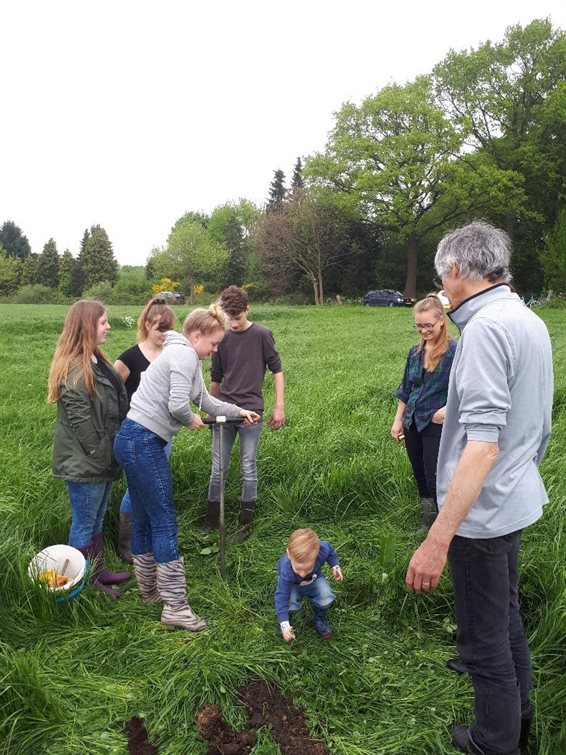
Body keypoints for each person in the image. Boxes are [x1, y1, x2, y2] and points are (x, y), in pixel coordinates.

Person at [405, 222, 553, 755]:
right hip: (512, 498)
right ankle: (520, 717)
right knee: (505, 616)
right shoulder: (526, 319)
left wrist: (438, 539)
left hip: (481, 512)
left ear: (459, 272)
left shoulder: (487, 330)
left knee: (483, 638)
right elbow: (538, 422)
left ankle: (495, 742)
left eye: (445, 275)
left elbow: (484, 445)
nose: (445, 285)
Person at [113, 304, 259, 631]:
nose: (216, 349)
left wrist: (239, 412)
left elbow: (205, 400)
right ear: (197, 336)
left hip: (131, 440)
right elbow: (179, 406)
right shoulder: (182, 356)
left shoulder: (183, 356)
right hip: (142, 442)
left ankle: (149, 591)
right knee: (164, 522)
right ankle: (175, 607)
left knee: (144, 516)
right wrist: (190, 420)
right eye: (214, 343)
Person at [48, 300, 131, 598]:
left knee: (96, 519)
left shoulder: (96, 360)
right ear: (86, 327)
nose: (108, 326)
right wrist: (104, 455)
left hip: (103, 458)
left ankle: (97, 572)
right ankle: (80, 585)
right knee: (84, 524)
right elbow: (83, 426)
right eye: (103, 322)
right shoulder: (73, 370)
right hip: (87, 461)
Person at [203, 285, 284, 542]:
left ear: (247, 310)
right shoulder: (222, 336)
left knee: (248, 468)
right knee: (218, 468)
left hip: (251, 412)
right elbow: (216, 376)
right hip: (225, 411)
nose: (234, 324)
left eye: (237, 318)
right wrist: (211, 408)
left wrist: (279, 406)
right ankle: (211, 520)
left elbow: (277, 370)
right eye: (230, 319)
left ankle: (244, 523)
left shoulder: (261, 334)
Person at [113, 297, 176, 563]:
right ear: (147, 324)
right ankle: (126, 545)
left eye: (169, 329)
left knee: (148, 489)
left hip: (163, 434)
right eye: (160, 328)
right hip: (137, 435)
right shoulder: (130, 357)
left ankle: (144, 541)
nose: (164, 334)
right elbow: (112, 392)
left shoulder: (172, 357)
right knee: (135, 488)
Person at [391, 295, 457, 530]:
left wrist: (447, 411)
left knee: (436, 478)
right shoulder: (414, 353)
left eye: (428, 325)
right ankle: (428, 523)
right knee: (419, 474)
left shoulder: (455, 353)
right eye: (419, 326)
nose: (423, 330)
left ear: (441, 321)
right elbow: (405, 389)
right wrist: (398, 421)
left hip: (437, 426)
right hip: (412, 423)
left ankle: (446, 527)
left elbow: (466, 389)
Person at [275, 528, 343, 642]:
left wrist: (335, 566)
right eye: (298, 569)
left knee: (326, 595)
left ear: (317, 555)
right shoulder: (286, 572)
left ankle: (319, 620)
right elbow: (281, 597)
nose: (302, 574)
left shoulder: (322, 550)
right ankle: (286, 622)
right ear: (289, 555)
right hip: (293, 585)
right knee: (289, 602)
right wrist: (284, 623)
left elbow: (330, 550)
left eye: (307, 569)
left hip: (314, 579)